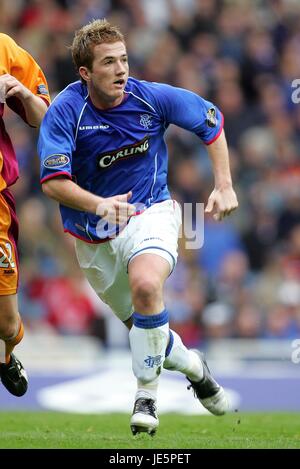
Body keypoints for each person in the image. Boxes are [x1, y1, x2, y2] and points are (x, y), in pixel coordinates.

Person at [38, 19, 238, 435]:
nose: (120, 70)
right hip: (92, 240)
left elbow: (211, 121)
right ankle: (196, 368)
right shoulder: (65, 112)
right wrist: (99, 205)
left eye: (124, 60)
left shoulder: (151, 98)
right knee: (150, 335)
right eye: (108, 62)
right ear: (85, 73)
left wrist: (223, 185)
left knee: (148, 286)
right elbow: (53, 182)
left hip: (151, 213)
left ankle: (146, 395)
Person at [0, 34, 50, 396]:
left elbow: (43, 114)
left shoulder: (3, 48)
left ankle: (7, 353)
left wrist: (20, 92)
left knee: (6, 322)